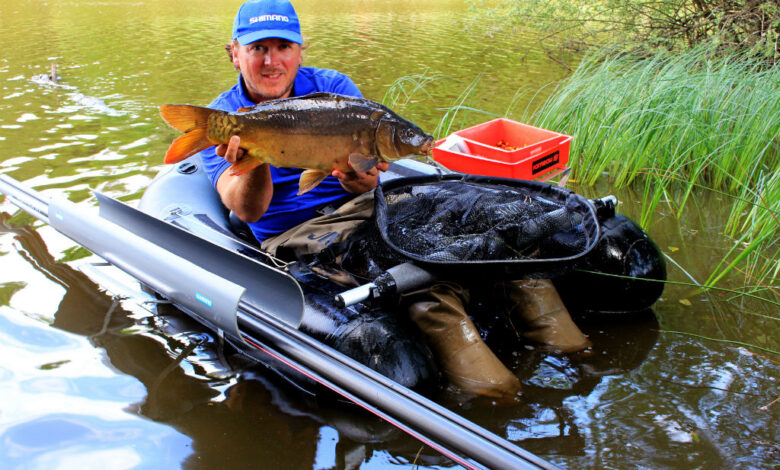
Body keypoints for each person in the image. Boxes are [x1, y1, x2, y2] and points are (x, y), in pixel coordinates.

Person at [200, 0, 590, 398]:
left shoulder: (334, 89)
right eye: (258, 48)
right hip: (302, 232)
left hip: (373, 208)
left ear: (301, 50)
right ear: (235, 53)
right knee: (417, 271)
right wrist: (256, 155)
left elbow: (367, 184)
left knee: (494, 234)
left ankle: (574, 352)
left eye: (282, 47)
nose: (271, 61)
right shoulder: (223, 118)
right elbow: (247, 210)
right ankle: (498, 394)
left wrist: (361, 179)